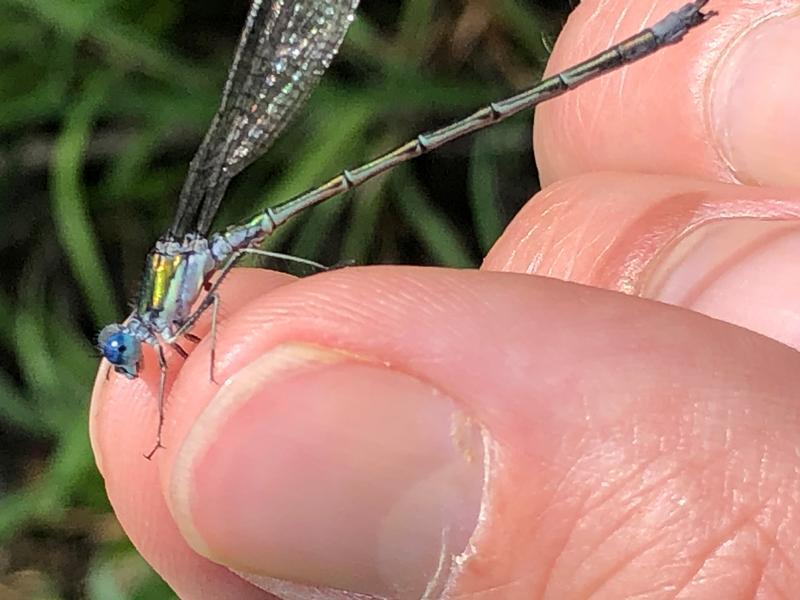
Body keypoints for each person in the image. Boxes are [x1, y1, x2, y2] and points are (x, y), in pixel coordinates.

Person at [90, 0, 800, 597]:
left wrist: (213, 377)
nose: (128, 356)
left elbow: (210, 322)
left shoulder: (172, 300)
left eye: (123, 348)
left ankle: (661, 36)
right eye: (123, 352)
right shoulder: (170, 312)